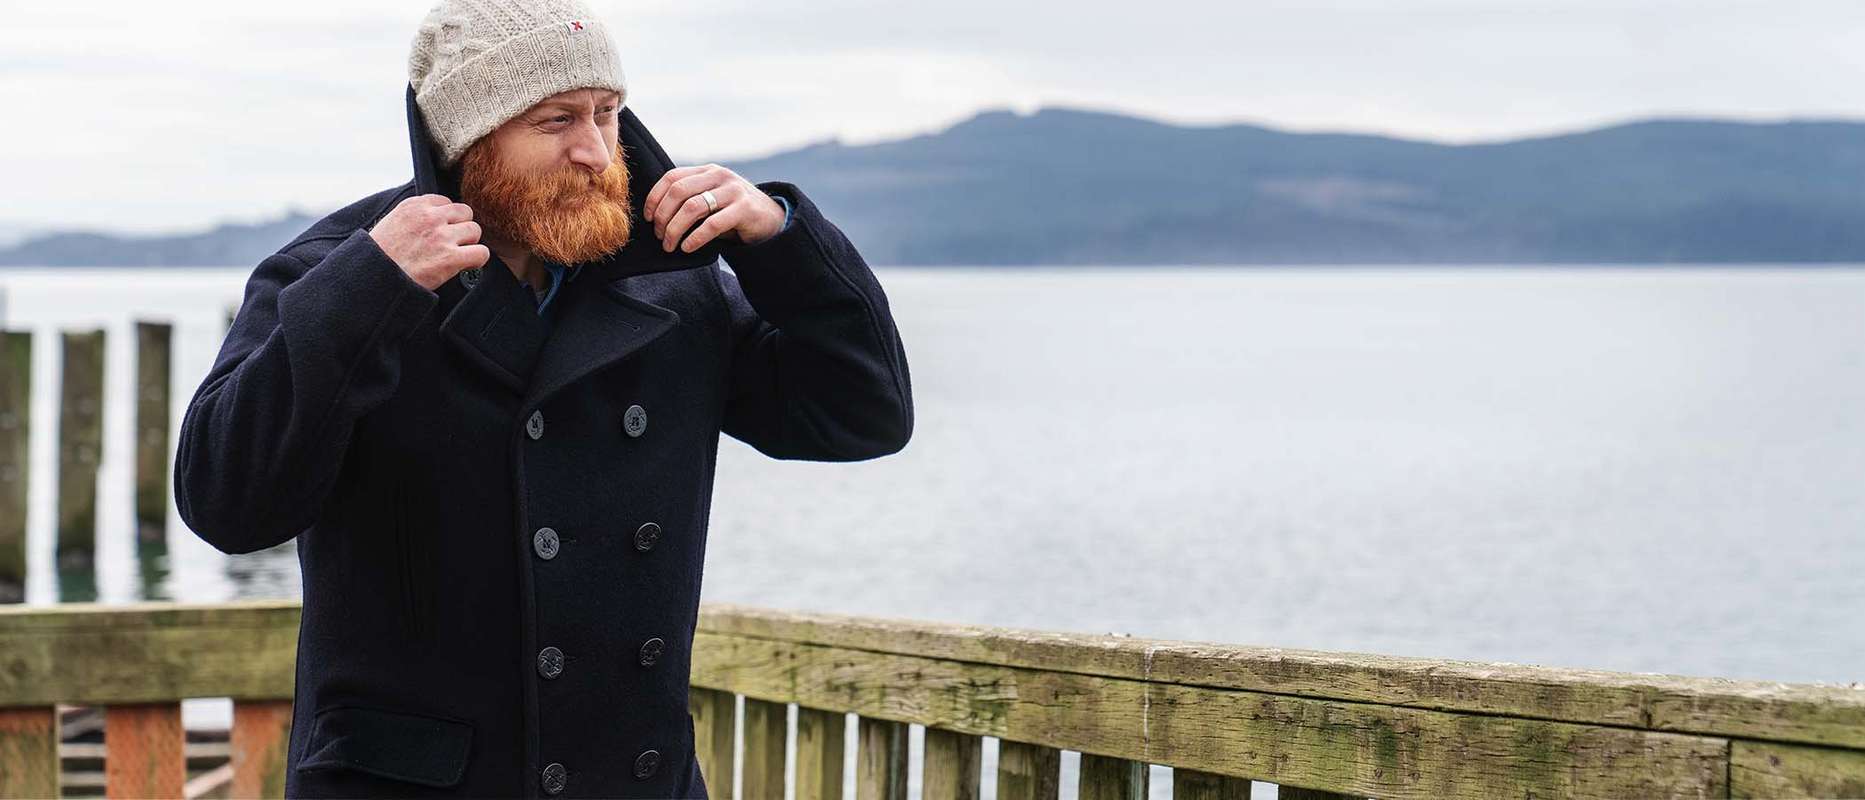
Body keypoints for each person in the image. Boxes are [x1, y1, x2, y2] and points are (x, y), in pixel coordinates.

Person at [171, 0, 914, 797]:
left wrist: (782, 243)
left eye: (608, 112)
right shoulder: (339, 271)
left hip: (634, 777)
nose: (597, 150)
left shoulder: (674, 282)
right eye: (556, 120)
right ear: (471, 139)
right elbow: (227, 505)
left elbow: (861, 415)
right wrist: (366, 289)